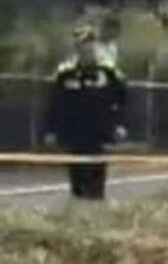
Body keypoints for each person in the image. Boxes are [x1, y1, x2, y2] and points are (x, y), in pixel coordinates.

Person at [46, 27, 128, 200]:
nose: (85, 48)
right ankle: (79, 206)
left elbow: (123, 100)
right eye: (80, 45)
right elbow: (54, 103)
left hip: (100, 133)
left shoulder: (108, 71)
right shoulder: (65, 73)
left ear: (95, 45)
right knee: (77, 181)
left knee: (96, 182)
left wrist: (120, 124)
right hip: (74, 133)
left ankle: (95, 205)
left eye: (88, 44)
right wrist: (51, 130)